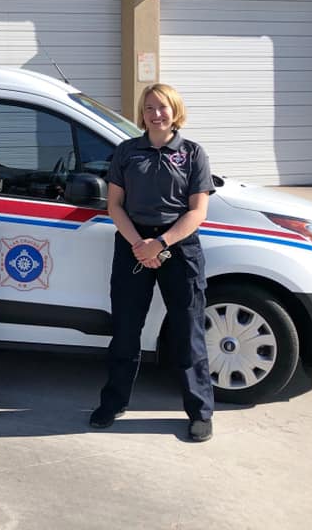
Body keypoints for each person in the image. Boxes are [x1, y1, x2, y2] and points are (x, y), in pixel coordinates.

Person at [90, 83, 216, 442]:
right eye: (148, 108)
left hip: (178, 246)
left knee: (188, 332)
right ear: (141, 114)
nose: (155, 114)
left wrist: (160, 244)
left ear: (174, 111)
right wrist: (140, 245)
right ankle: (112, 403)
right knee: (126, 331)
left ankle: (200, 412)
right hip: (133, 243)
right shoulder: (127, 152)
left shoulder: (193, 154)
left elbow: (198, 211)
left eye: (162, 107)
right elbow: (114, 205)